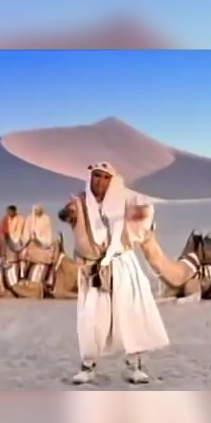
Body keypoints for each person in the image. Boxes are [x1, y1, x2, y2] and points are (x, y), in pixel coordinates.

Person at [58, 161, 169, 385]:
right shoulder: (80, 203)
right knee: (91, 319)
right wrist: (67, 213)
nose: (100, 181)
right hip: (93, 271)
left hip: (122, 265)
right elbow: (65, 215)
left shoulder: (125, 202)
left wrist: (140, 216)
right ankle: (87, 367)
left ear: (112, 181)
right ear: (90, 177)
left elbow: (144, 217)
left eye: (106, 177)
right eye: (97, 176)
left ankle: (134, 366)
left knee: (131, 315)